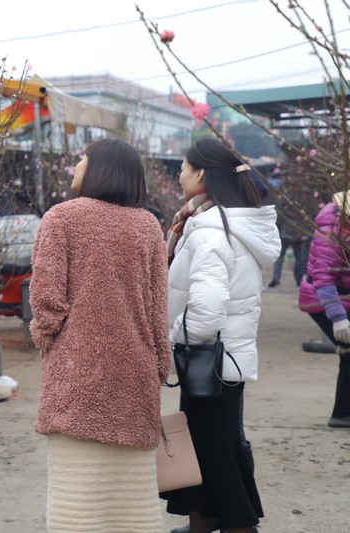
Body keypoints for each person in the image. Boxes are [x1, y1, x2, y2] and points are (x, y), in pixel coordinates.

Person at [30, 138, 170, 532]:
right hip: (135, 375)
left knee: (77, 501)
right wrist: (159, 363)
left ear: (99, 168)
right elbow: (159, 308)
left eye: (82, 159)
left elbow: (47, 299)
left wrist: (47, 341)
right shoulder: (147, 225)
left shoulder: (61, 218)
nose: (76, 165)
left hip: (78, 373)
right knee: (133, 505)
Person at [164, 138, 280, 533]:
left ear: (200, 174)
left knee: (215, 453)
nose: (178, 175)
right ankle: (204, 521)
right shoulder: (225, 223)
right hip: (223, 360)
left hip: (208, 359)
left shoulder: (210, 230)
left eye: (182, 167)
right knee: (212, 447)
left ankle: (238, 525)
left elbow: (207, 311)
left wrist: (173, 335)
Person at [298, 190, 350, 428]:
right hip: (322, 299)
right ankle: (342, 415)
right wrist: (339, 319)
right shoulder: (332, 229)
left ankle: (342, 413)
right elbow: (323, 278)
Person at [269, 196, 310, 287]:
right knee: (298, 258)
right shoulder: (302, 200)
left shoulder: (282, 199)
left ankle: (276, 278)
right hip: (296, 233)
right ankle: (299, 279)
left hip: (284, 233)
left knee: (279, 257)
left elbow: (278, 218)